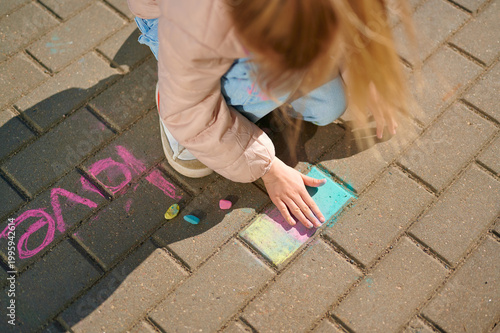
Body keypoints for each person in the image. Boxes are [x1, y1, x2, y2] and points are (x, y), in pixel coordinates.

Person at [127, 0, 414, 230]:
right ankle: (174, 91)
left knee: (330, 104)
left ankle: (254, 93)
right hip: (179, 33)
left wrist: (360, 68)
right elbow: (189, 111)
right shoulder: (198, 20)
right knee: (196, 150)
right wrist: (267, 167)